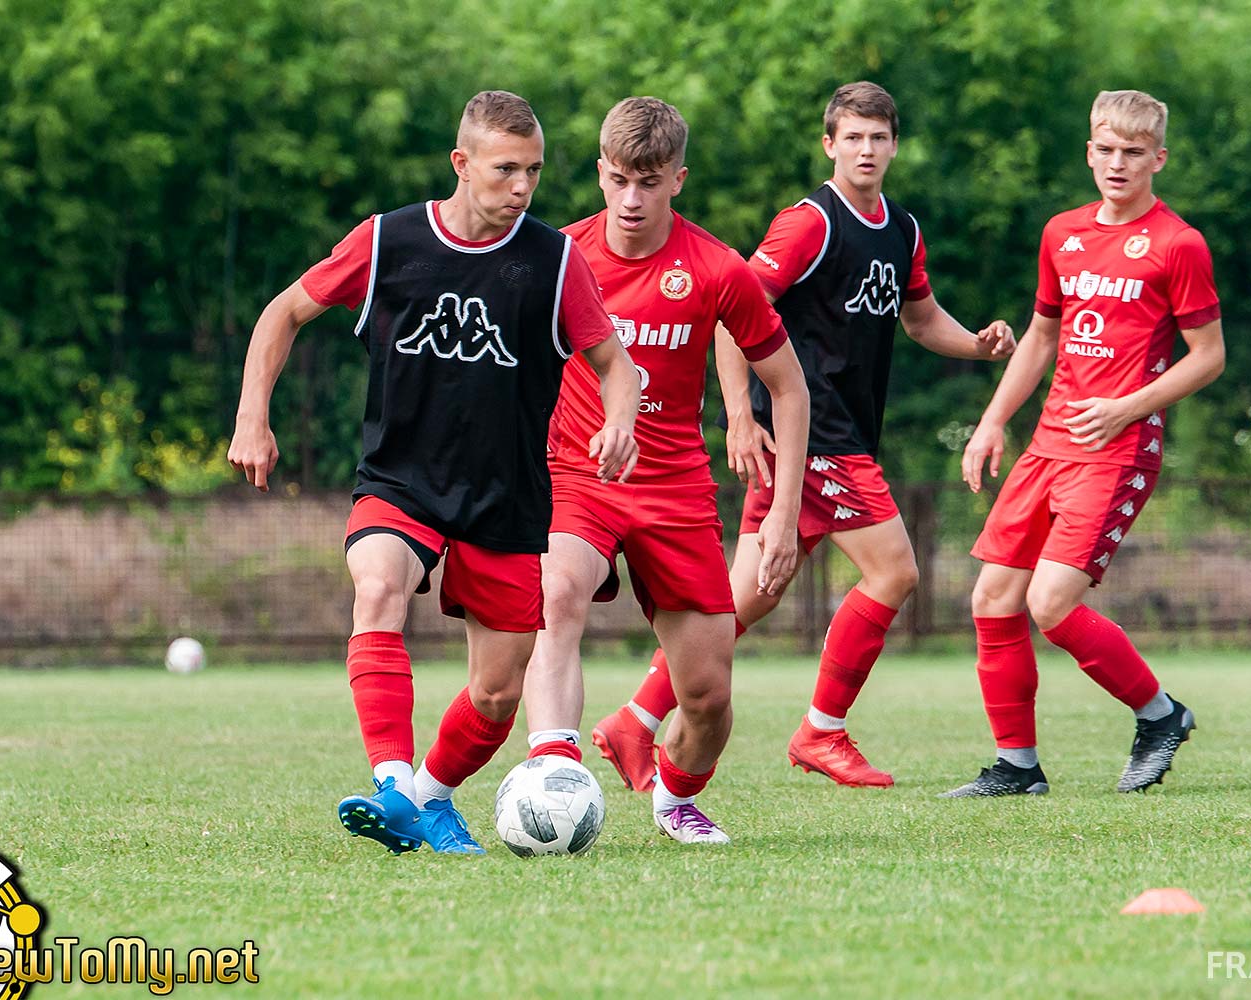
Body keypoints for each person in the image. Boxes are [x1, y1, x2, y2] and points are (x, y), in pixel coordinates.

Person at [227, 91, 640, 854]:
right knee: (378, 587)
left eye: (534, 171)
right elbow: (283, 312)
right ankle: (391, 784)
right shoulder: (389, 241)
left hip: (506, 496)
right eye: (506, 169)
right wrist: (253, 415)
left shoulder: (553, 262)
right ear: (462, 163)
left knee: (498, 691)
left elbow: (615, 364)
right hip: (401, 480)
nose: (522, 187)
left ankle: (428, 797)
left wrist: (621, 421)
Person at [592, 81, 1015, 792]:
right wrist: (740, 413)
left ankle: (634, 719)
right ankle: (822, 730)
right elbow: (733, 310)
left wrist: (977, 344)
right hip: (818, 435)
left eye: (878, 137)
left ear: (895, 145)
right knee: (896, 572)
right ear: (829, 145)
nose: (866, 149)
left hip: (842, 433)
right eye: (853, 137)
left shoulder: (902, 230)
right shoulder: (809, 224)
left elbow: (920, 319)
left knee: (750, 595)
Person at [519, 97, 809, 844]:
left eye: (648, 183)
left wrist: (782, 515)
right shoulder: (558, 256)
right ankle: (553, 769)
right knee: (557, 594)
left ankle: (676, 798)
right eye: (618, 180)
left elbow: (789, 387)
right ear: (599, 173)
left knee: (708, 698)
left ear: (677, 179)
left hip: (676, 487)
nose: (630, 199)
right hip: (577, 474)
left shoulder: (717, 268)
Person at [942, 89, 1224, 797]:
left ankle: (1160, 715)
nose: (1117, 163)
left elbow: (1209, 356)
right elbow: (1042, 336)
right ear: (1089, 152)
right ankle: (1018, 766)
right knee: (993, 599)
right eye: (1106, 149)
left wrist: (1127, 407)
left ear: (1158, 158)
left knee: (1050, 604)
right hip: (1048, 445)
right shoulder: (1061, 233)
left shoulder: (1178, 244)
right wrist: (993, 421)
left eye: (1133, 151)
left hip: (1117, 451)